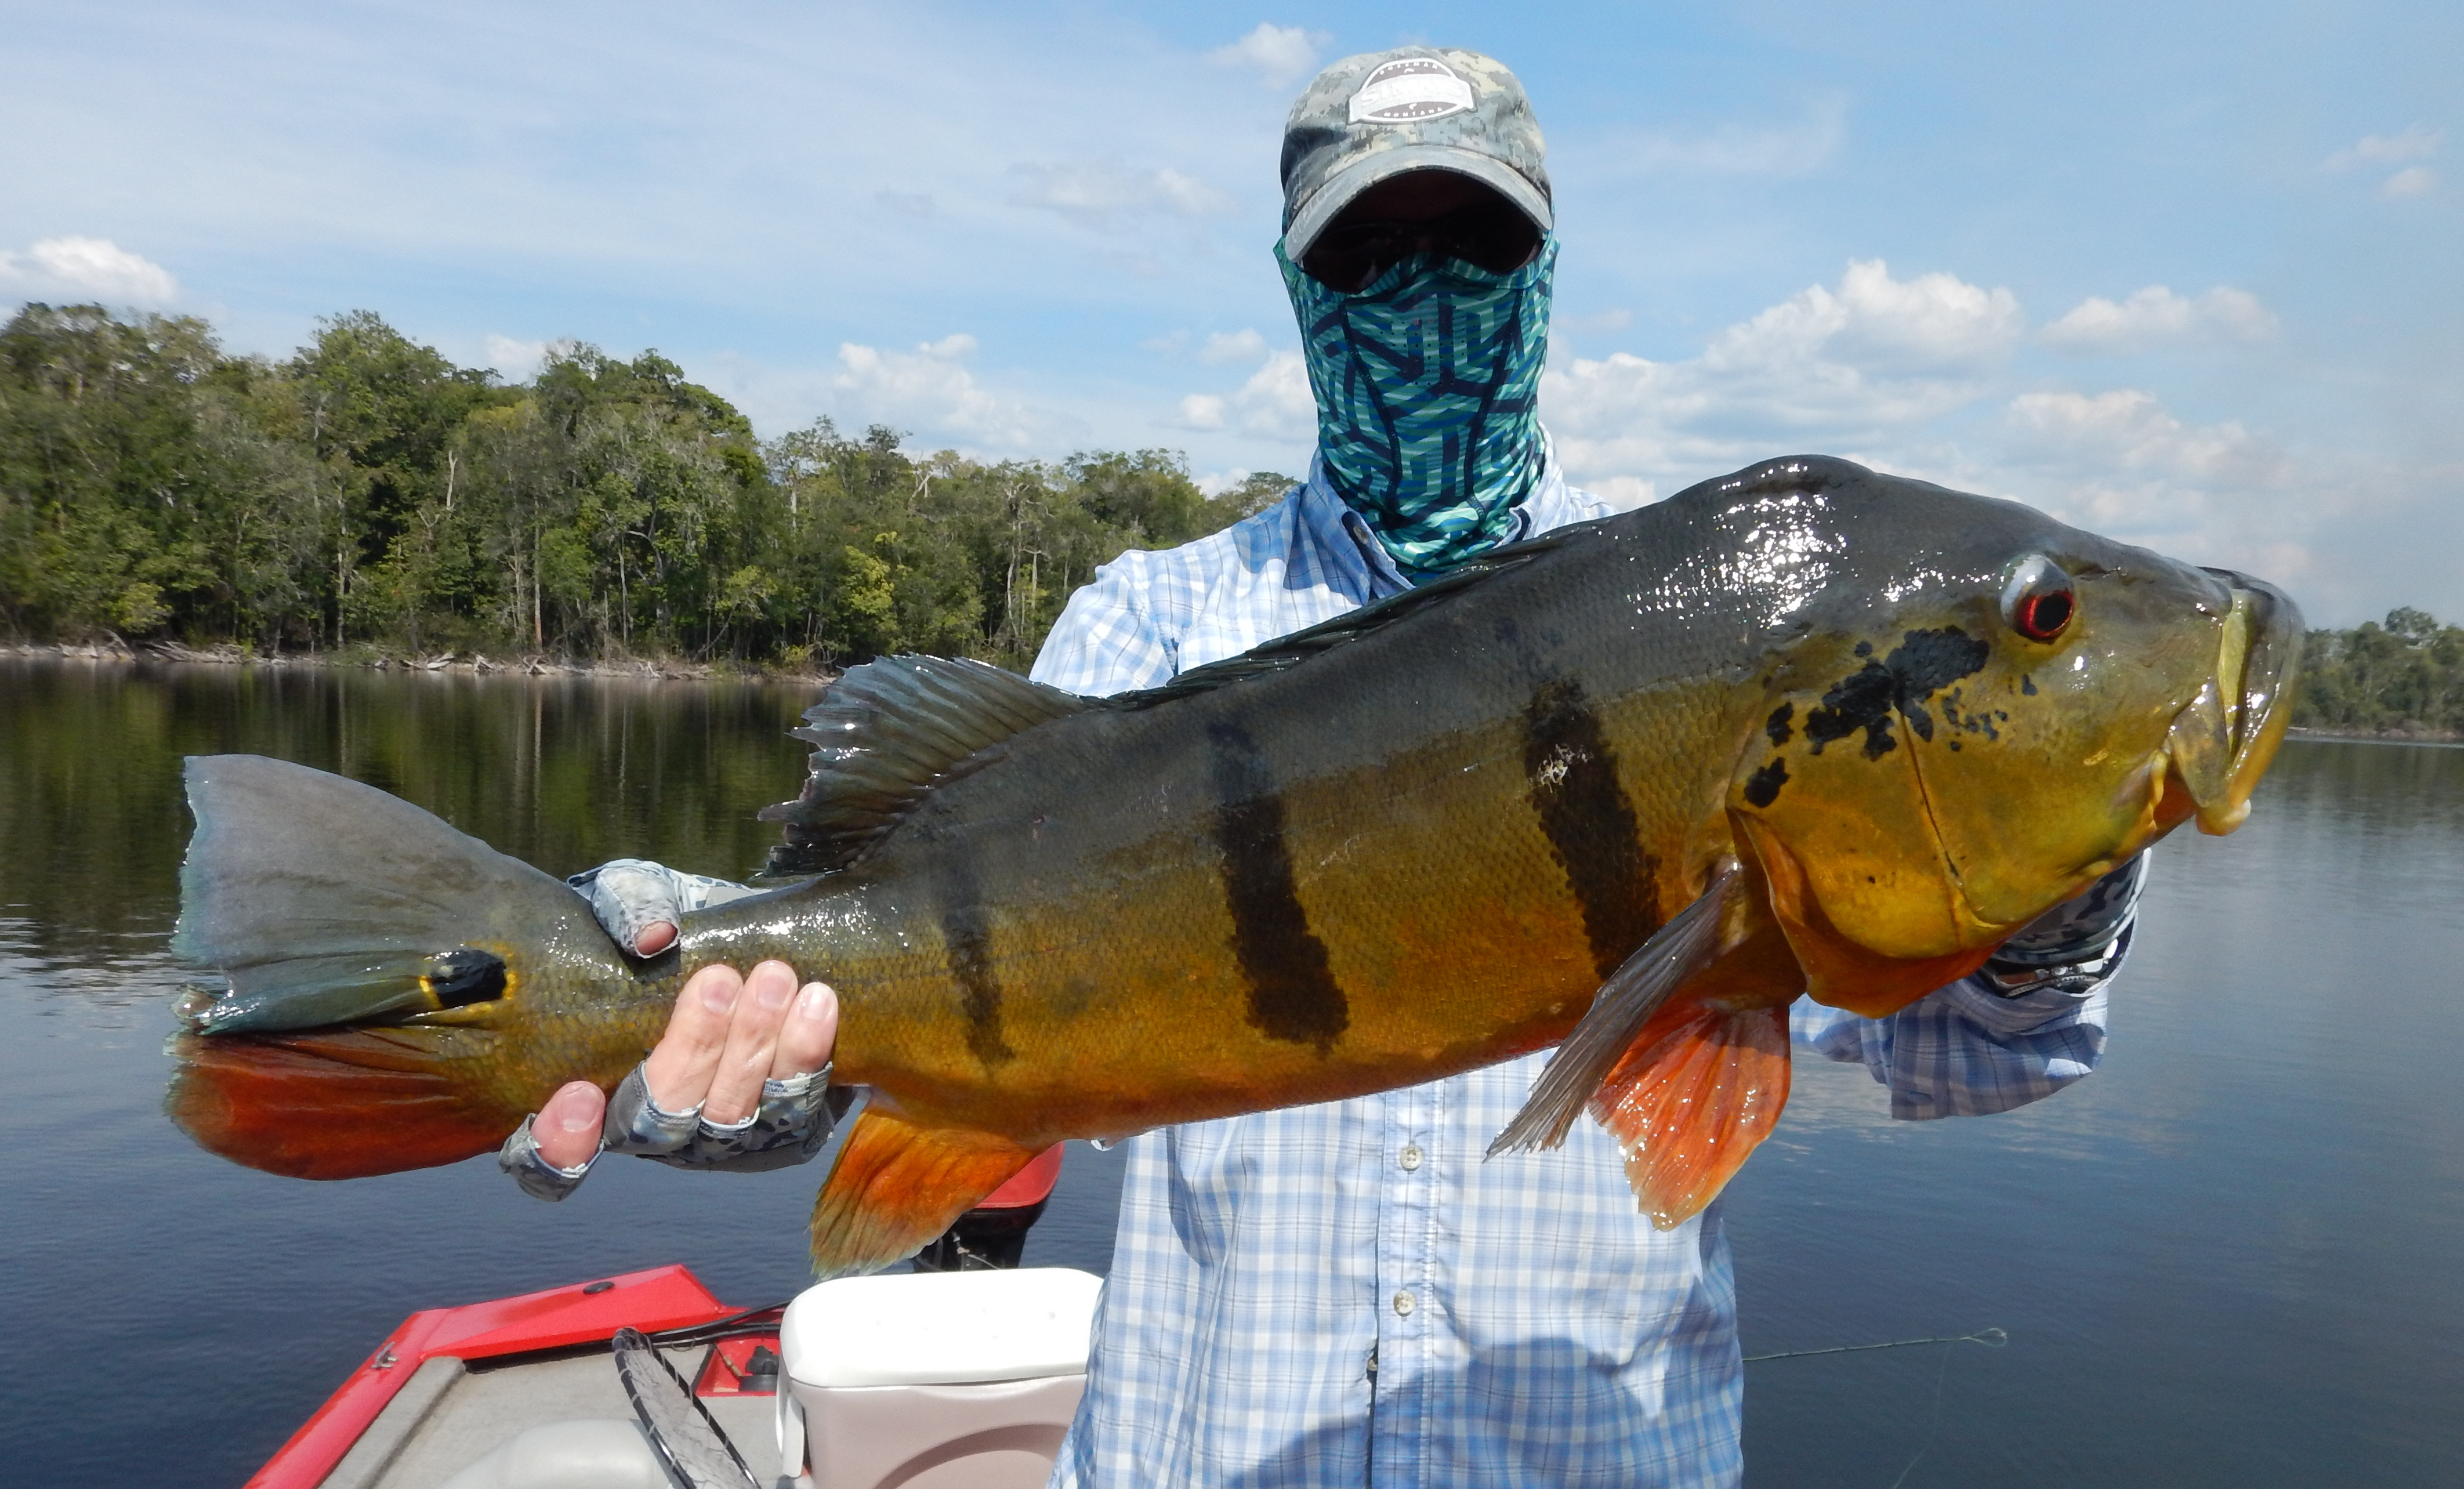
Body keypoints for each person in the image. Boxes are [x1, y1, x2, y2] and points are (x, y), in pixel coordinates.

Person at [503, 47, 2143, 1487]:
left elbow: (1966, 1061)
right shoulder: (1146, 626)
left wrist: (2071, 840)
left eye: (1474, 243)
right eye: (1368, 252)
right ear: (1300, 289)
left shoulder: (1711, 631)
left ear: (1544, 271)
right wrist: (709, 1064)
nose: (1425, 295)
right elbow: (913, 1030)